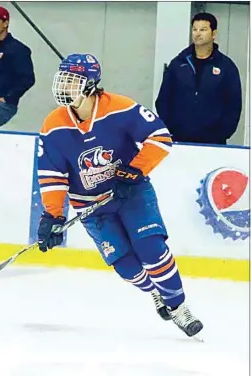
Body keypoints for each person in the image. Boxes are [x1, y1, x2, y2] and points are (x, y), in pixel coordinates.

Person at [36, 53, 204, 338]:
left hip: (132, 194)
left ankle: (179, 307)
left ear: (90, 85)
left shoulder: (120, 107)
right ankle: (155, 292)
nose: (64, 87)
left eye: (72, 81)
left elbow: (160, 137)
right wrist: (52, 215)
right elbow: (52, 175)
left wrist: (134, 171)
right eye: (62, 79)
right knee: (126, 266)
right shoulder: (54, 124)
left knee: (151, 249)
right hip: (92, 207)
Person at [155, 12, 242, 145]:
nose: (197, 33)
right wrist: (171, 128)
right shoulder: (178, 64)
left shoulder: (226, 67)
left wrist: (222, 132)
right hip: (179, 138)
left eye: (203, 29)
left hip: (214, 142)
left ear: (214, 34)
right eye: (195, 29)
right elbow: (163, 99)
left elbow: (234, 105)